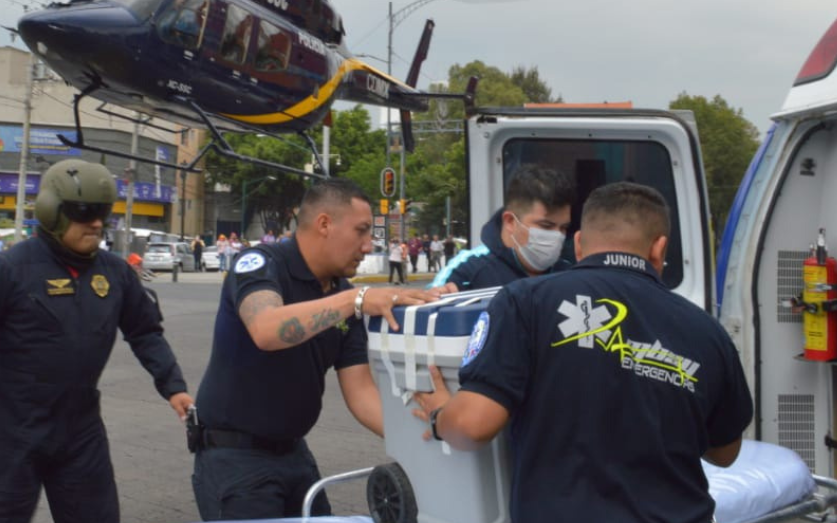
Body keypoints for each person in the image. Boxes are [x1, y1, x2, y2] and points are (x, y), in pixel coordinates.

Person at [411, 182, 753, 523]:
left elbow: (471, 426)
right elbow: (725, 452)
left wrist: (442, 415)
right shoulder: (707, 331)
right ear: (659, 248)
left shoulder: (526, 301)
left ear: (577, 244)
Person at [0, 159, 193, 522]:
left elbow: (145, 332)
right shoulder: (7, 270)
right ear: (51, 212)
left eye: (102, 212)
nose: (95, 223)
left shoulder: (116, 273)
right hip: (11, 431)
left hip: (80, 431)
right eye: (83, 212)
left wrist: (174, 386)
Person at [190, 178, 440, 520]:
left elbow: (361, 391)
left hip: (294, 457)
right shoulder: (262, 263)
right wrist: (355, 299)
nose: (368, 246)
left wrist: (425, 437)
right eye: (362, 231)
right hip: (237, 460)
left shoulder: (343, 294)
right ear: (324, 223)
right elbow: (266, 329)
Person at [432, 165, 574, 293]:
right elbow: (429, 310)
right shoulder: (467, 272)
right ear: (510, 222)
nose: (557, 236)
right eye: (546, 226)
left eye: (563, 228)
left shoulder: (569, 273)